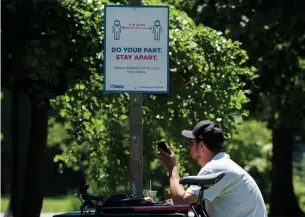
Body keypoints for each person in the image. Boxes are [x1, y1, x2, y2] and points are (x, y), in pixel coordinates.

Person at [152, 120, 268, 217]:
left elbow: (180, 201)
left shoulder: (215, 168)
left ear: (201, 145)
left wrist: (172, 167)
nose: (189, 148)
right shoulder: (222, 164)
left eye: (190, 143)